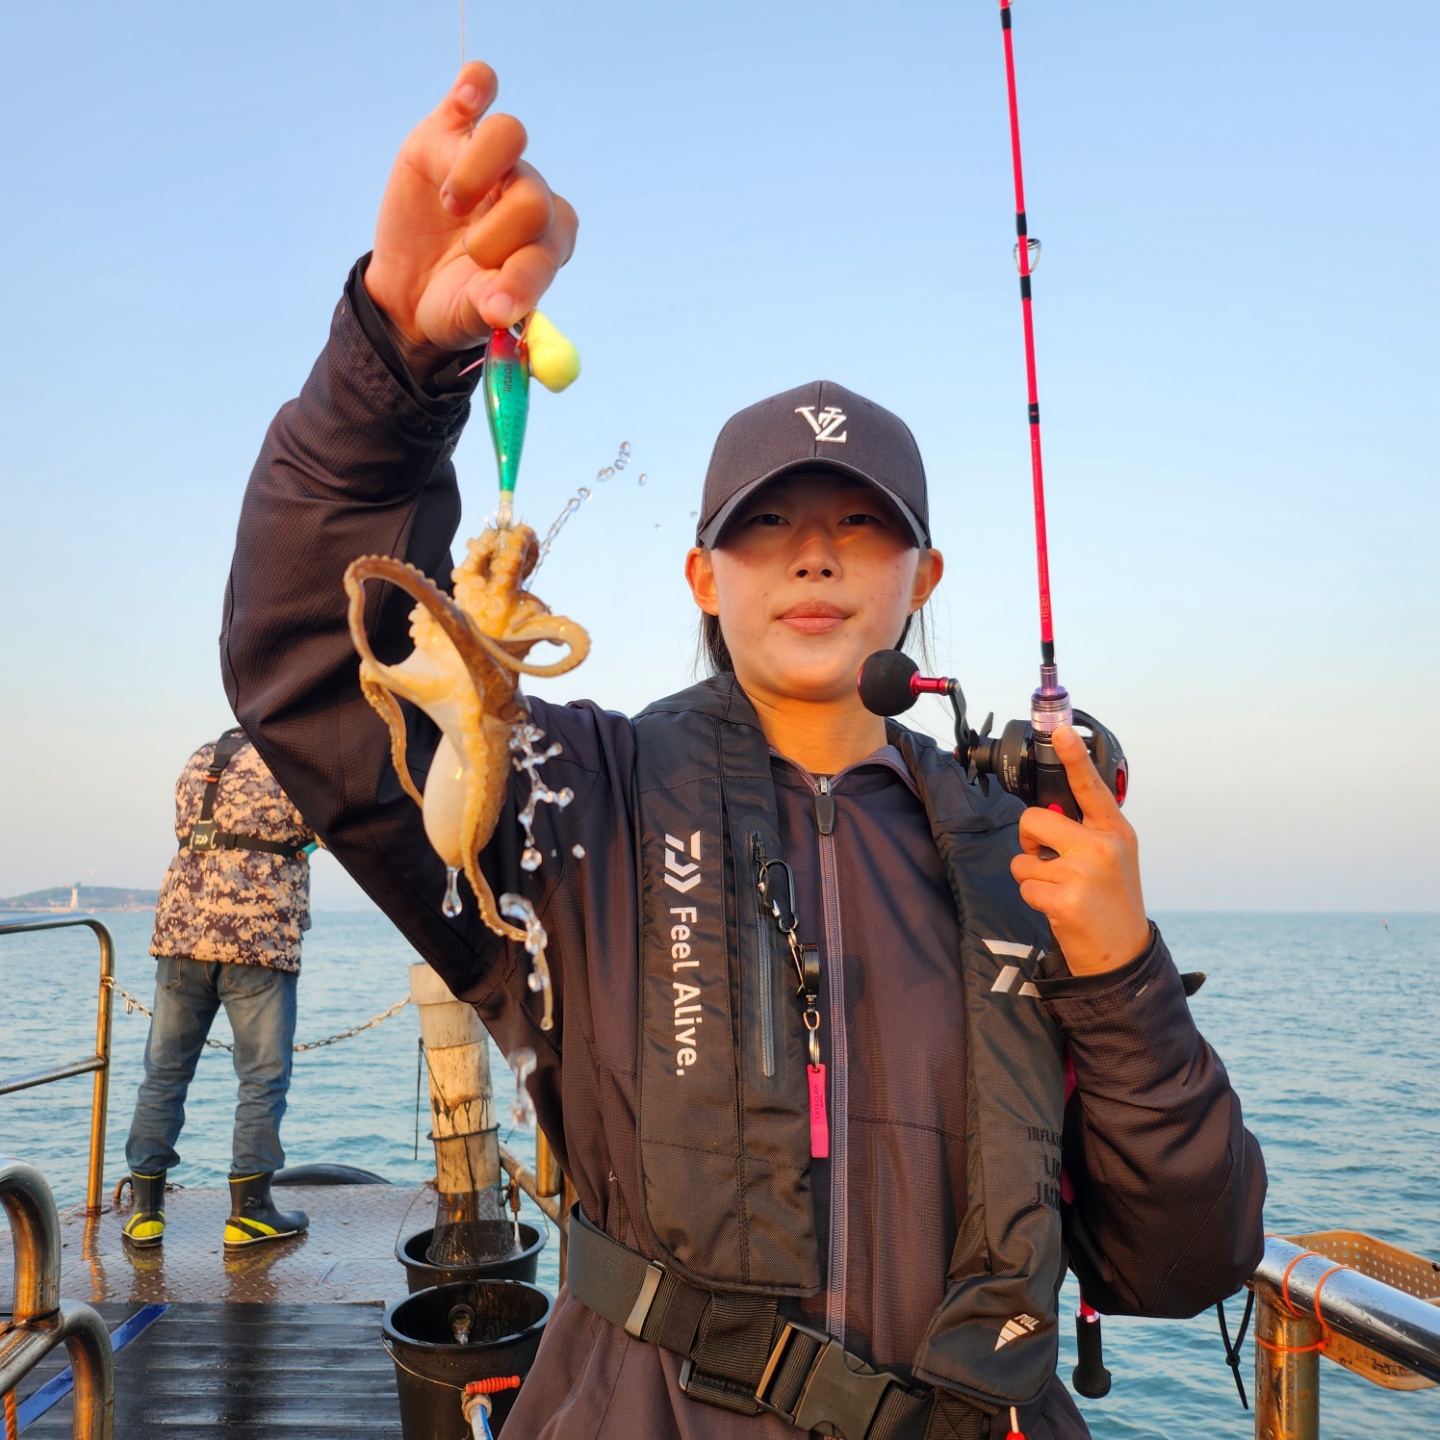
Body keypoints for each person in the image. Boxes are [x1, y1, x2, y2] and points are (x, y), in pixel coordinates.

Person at [222, 63, 1265, 1440]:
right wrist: (397, 365)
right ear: (703, 576)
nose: (814, 554)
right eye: (767, 525)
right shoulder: (581, 801)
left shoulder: (1023, 855)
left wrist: (1124, 975)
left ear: (922, 577)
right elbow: (311, 652)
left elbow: (1184, 1260)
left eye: (860, 524)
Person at [122, 727, 315, 1250]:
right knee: (262, 1078)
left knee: (163, 1073)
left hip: (182, 933)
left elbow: (189, 827)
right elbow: (322, 828)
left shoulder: (200, 760)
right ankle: (251, 1214)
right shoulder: (287, 759)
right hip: (256, 937)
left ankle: (145, 1212)